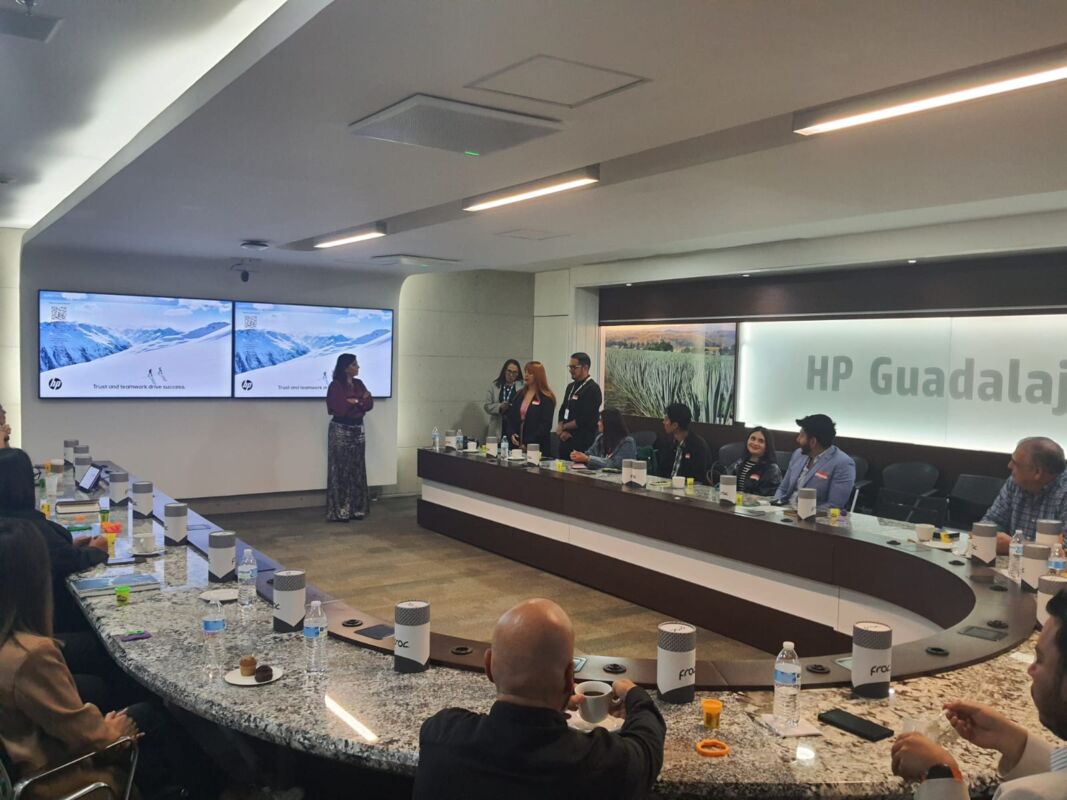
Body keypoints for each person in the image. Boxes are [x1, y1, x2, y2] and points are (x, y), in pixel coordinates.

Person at [414, 598, 665, 800]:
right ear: (569, 676)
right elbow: (646, 745)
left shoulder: (440, 733)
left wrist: (550, 700)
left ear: (488, 666)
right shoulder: (599, 763)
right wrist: (634, 695)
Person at [0, 518, 139, 797]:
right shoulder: (30, 656)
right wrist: (116, 732)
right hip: (53, 780)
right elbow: (91, 739)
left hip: (23, 762)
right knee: (153, 720)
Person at [890, 589, 1067, 799]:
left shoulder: (1029, 795)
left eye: (1040, 659)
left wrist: (941, 774)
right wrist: (1014, 742)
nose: (1030, 670)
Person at [0, 448, 108, 635]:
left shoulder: (10, 519)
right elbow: (72, 561)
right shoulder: (25, 528)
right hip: (36, 636)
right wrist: (96, 550)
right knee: (102, 641)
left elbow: (51, 555)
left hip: (11, 631)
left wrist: (70, 547)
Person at [981, 437, 1067, 555]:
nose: (1009, 465)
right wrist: (988, 534)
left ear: (1037, 472)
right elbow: (991, 521)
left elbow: (1064, 551)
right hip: (1012, 563)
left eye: (1015, 463)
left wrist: (1016, 546)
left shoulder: (1063, 492)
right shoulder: (1015, 483)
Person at [325, 353, 374, 522]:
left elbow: (369, 403)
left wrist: (356, 402)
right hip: (340, 429)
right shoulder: (335, 385)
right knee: (341, 469)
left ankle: (357, 509)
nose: (358, 367)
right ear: (346, 368)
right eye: (354, 364)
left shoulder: (359, 383)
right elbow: (340, 408)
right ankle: (341, 510)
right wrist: (360, 401)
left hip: (358, 429)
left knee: (357, 468)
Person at [773, 414, 856, 511]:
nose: (797, 439)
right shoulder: (798, 454)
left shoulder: (843, 464)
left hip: (813, 516)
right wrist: (775, 505)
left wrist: (802, 513)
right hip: (784, 510)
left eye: (801, 436)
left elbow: (834, 505)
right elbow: (783, 488)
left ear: (813, 442)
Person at [556, 353, 603, 461]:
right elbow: (563, 409)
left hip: (582, 443)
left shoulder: (592, 389)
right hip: (565, 441)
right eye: (570, 367)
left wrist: (564, 427)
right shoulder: (570, 387)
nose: (571, 370)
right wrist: (561, 426)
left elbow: (586, 418)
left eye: (574, 367)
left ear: (585, 367)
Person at [507, 361, 556, 453]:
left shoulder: (546, 398)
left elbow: (545, 425)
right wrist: (511, 433)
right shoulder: (519, 394)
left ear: (538, 375)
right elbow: (511, 417)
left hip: (537, 446)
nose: (526, 375)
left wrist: (527, 443)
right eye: (525, 372)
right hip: (517, 444)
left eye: (530, 373)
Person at [656, 403, 710, 484]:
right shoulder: (668, 442)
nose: (663, 422)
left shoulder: (698, 446)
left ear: (675, 425)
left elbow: (698, 479)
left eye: (666, 419)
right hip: (666, 487)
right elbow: (662, 471)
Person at [723, 426, 782, 496]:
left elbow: (765, 497)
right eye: (753, 438)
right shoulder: (739, 463)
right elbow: (726, 486)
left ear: (767, 446)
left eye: (761, 441)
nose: (755, 443)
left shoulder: (772, 469)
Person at [571, 408, 636, 470]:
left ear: (609, 423)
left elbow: (616, 465)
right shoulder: (600, 438)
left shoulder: (627, 442)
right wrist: (579, 456)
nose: (598, 423)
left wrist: (587, 459)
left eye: (600, 420)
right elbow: (589, 454)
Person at [484, 359, 523, 442]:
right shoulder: (494, 386)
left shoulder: (522, 386)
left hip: (515, 427)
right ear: (504, 371)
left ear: (518, 373)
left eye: (514, 372)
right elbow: (487, 406)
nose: (511, 375)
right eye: (509, 371)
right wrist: (500, 407)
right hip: (498, 425)